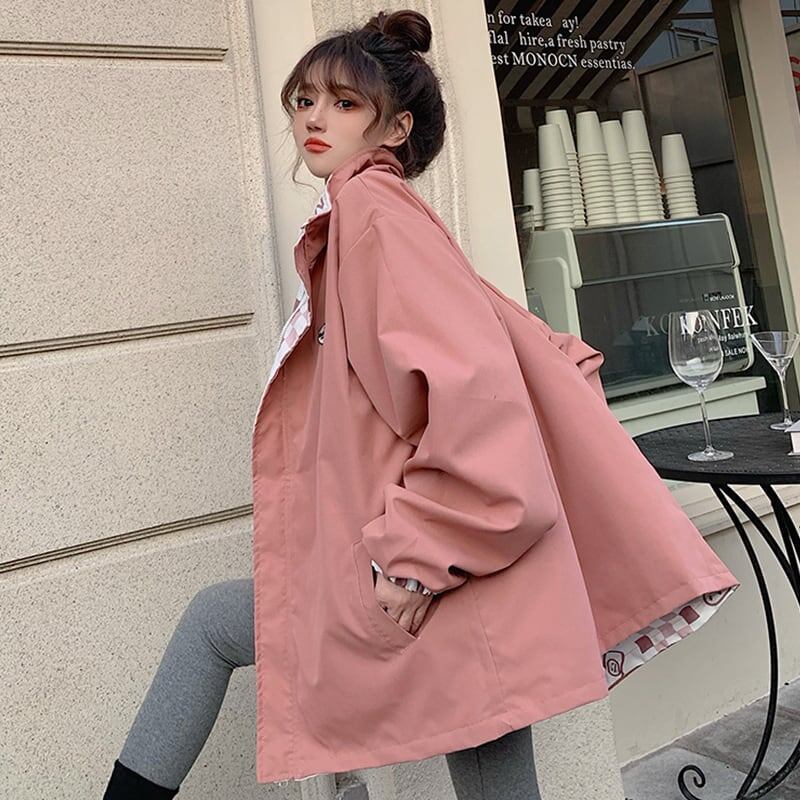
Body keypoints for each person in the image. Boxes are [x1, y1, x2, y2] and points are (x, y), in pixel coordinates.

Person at [103, 8, 739, 798]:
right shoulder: (366, 221)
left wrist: (413, 559)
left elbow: (478, 400)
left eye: (344, 102)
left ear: (396, 126)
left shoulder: (375, 217)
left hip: (431, 560)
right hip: (449, 558)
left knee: (214, 626)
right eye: (304, 99)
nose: (314, 118)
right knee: (477, 734)